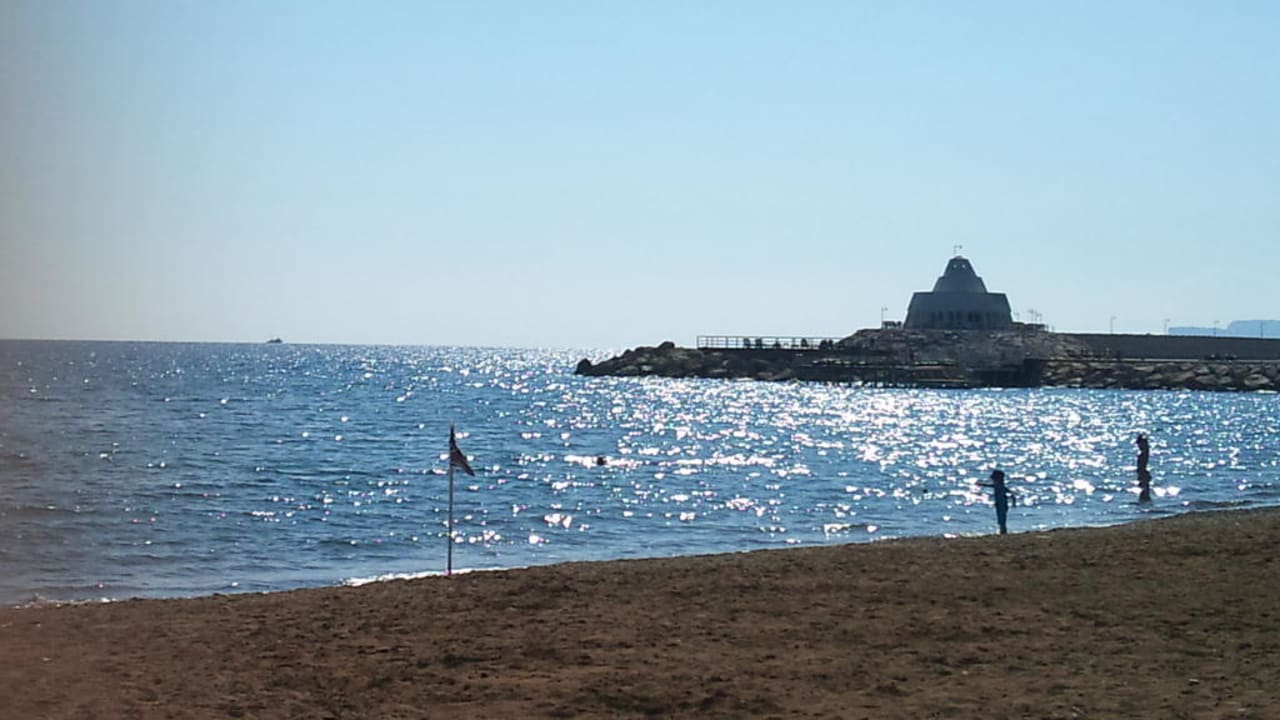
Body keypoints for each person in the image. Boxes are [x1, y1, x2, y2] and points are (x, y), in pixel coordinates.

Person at [979, 469, 1017, 534]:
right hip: (1000, 504)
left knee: (1002, 519)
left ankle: (1003, 531)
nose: (993, 481)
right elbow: (1011, 494)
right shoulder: (999, 486)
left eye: (994, 480)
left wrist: (1013, 501)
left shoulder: (1000, 486)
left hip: (1002, 504)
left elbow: (1011, 494)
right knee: (1001, 518)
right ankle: (1002, 531)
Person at [1135, 434, 1152, 503]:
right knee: (1144, 491)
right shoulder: (1143, 453)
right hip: (1142, 472)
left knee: (1145, 491)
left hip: (1143, 472)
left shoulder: (1144, 453)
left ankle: (1145, 502)